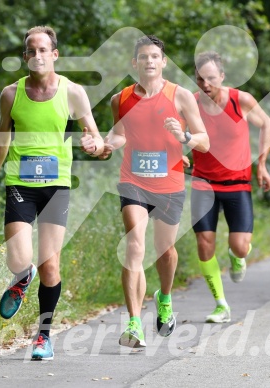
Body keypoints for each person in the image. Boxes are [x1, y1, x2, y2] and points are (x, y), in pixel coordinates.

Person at [0, 25, 104, 361]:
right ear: (25, 57)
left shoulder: (73, 92)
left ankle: (43, 337)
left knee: (51, 266)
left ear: (54, 55)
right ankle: (23, 276)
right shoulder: (11, 94)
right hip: (20, 184)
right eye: (31, 51)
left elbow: (96, 138)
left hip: (56, 187)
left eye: (43, 50)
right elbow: (1, 138)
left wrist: (94, 145)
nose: (37, 56)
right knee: (18, 259)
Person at [99, 35, 210, 348]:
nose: (149, 61)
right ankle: (134, 323)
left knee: (165, 251)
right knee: (134, 244)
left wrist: (184, 135)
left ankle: (164, 297)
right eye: (143, 57)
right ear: (135, 63)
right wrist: (108, 143)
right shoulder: (119, 98)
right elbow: (119, 134)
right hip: (133, 180)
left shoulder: (181, 95)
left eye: (155, 57)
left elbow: (205, 141)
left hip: (170, 183)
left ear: (163, 62)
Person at [189, 51, 270, 323]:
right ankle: (221, 304)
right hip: (203, 183)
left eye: (211, 78)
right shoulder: (190, 103)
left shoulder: (241, 100)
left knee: (239, 246)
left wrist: (262, 164)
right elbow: (174, 132)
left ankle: (238, 256)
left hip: (237, 183)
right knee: (204, 242)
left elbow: (267, 124)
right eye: (200, 79)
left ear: (222, 77)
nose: (206, 84)